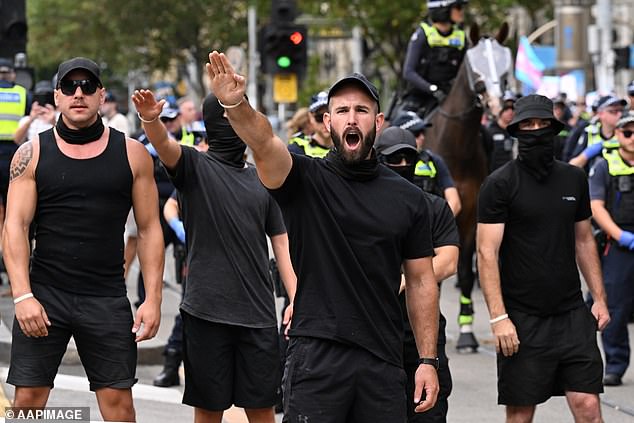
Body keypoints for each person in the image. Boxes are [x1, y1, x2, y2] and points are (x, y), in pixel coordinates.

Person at [207, 51, 440, 422]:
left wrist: (428, 360)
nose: (352, 118)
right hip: (316, 357)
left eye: (361, 111)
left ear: (377, 122)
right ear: (327, 121)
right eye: (343, 110)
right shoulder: (303, 178)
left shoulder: (409, 199)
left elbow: (422, 280)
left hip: (383, 361)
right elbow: (265, 143)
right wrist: (236, 105)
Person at [2, 57, 164, 421]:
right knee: (27, 402)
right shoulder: (31, 153)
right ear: (57, 96)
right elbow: (14, 226)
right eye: (70, 87)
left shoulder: (132, 153)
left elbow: (151, 228)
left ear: (101, 95)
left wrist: (153, 298)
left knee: (120, 407)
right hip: (44, 294)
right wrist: (23, 295)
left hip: (106, 296)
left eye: (88, 86)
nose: (79, 93)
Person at [133, 88, 297, 423]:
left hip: (258, 316)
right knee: (209, 411)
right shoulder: (194, 166)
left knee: (262, 410)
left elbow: (282, 243)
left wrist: (297, 298)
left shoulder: (263, 178)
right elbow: (164, 146)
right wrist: (150, 119)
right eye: (230, 115)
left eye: (242, 114)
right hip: (206, 314)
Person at [477, 94, 610, 422]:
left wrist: (599, 299)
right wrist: (498, 318)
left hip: (571, 314)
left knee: (588, 406)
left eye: (541, 125)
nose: (535, 131)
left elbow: (583, 241)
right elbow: (486, 252)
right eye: (528, 125)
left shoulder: (573, 179)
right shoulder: (499, 184)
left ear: (554, 129)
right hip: (522, 319)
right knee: (521, 414)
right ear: (517, 131)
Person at [375, 126, 459, 423]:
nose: (400, 166)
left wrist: (404, 280)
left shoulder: (433, 207)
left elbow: (448, 261)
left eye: (406, 159)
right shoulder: (364, 204)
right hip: (373, 337)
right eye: (392, 159)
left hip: (421, 337)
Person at [588, 112, 634, 387]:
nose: (632, 138)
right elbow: (596, 206)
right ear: (617, 135)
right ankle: (615, 364)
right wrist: (621, 236)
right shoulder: (605, 165)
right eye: (627, 132)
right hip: (619, 241)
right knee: (614, 305)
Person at [401, 0, 467, 118]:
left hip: (450, 95)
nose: (461, 11)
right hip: (420, 97)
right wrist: (432, 89)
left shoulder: (461, 37)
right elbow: (408, 72)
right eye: (457, 7)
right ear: (443, 10)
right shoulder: (422, 35)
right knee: (401, 127)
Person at [392, 111, 461, 216]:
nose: (422, 137)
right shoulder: (383, 161)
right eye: (416, 133)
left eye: (423, 132)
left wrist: (437, 226)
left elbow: (455, 202)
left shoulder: (434, 160)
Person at [0, 58, 29, 221]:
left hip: (15, 151)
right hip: (16, 152)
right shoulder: (23, 93)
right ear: (13, 74)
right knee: (12, 202)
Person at [569, 95, 626, 169]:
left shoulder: (628, 133)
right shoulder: (589, 132)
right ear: (600, 114)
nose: (620, 114)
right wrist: (586, 155)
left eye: (621, 110)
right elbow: (572, 165)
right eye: (614, 111)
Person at [287, 91, 333, 158]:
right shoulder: (297, 149)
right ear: (311, 117)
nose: (326, 122)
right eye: (319, 118)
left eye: (330, 117)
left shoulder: (347, 147)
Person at [14, 80, 58, 145]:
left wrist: (53, 122)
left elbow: (67, 139)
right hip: (34, 152)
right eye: (40, 97)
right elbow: (17, 140)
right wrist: (31, 119)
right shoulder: (27, 120)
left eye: (47, 97)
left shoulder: (60, 117)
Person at [482, 91, 516, 173]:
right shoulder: (489, 131)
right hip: (494, 176)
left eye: (513, 108)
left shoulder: (516, 131)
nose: (510, 112)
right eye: (506, 108)